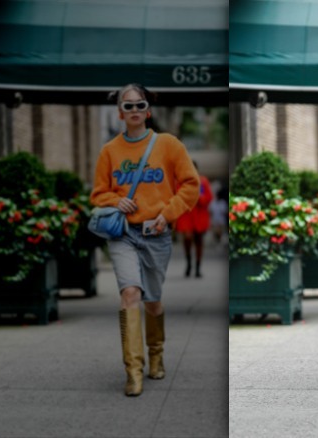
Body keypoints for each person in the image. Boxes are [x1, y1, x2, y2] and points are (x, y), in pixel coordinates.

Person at [90, 83, 199, 397]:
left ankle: (156, 353)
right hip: (123, 233)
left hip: (157, 234)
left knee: (152, 300)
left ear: (148, 110)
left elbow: (190, 185)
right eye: (128, 106)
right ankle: (133, 371)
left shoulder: (168, 145)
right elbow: (97, 194)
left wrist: (166, 214)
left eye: (140, 105)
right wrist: (114, 200)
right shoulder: (109, 151)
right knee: (130, 293)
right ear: (120, 112)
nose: (134, 111)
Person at [175, 160, 213, 278]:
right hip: (186, 215)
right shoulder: (180, 182)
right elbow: (177, 196)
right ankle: (189, 263)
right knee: (187, 238)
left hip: (200, 215)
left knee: (199, 241)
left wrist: (199, 198)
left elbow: (209, 197)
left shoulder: (203, 182)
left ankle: (197, 267)